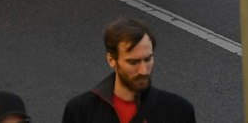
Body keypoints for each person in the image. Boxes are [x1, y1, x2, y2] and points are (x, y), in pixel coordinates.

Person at [60, 19, 197, 123]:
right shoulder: (81, 112)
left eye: (148, 59)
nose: (143, 70)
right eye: (133, 62)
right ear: (111, 60)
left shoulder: (179, 111)